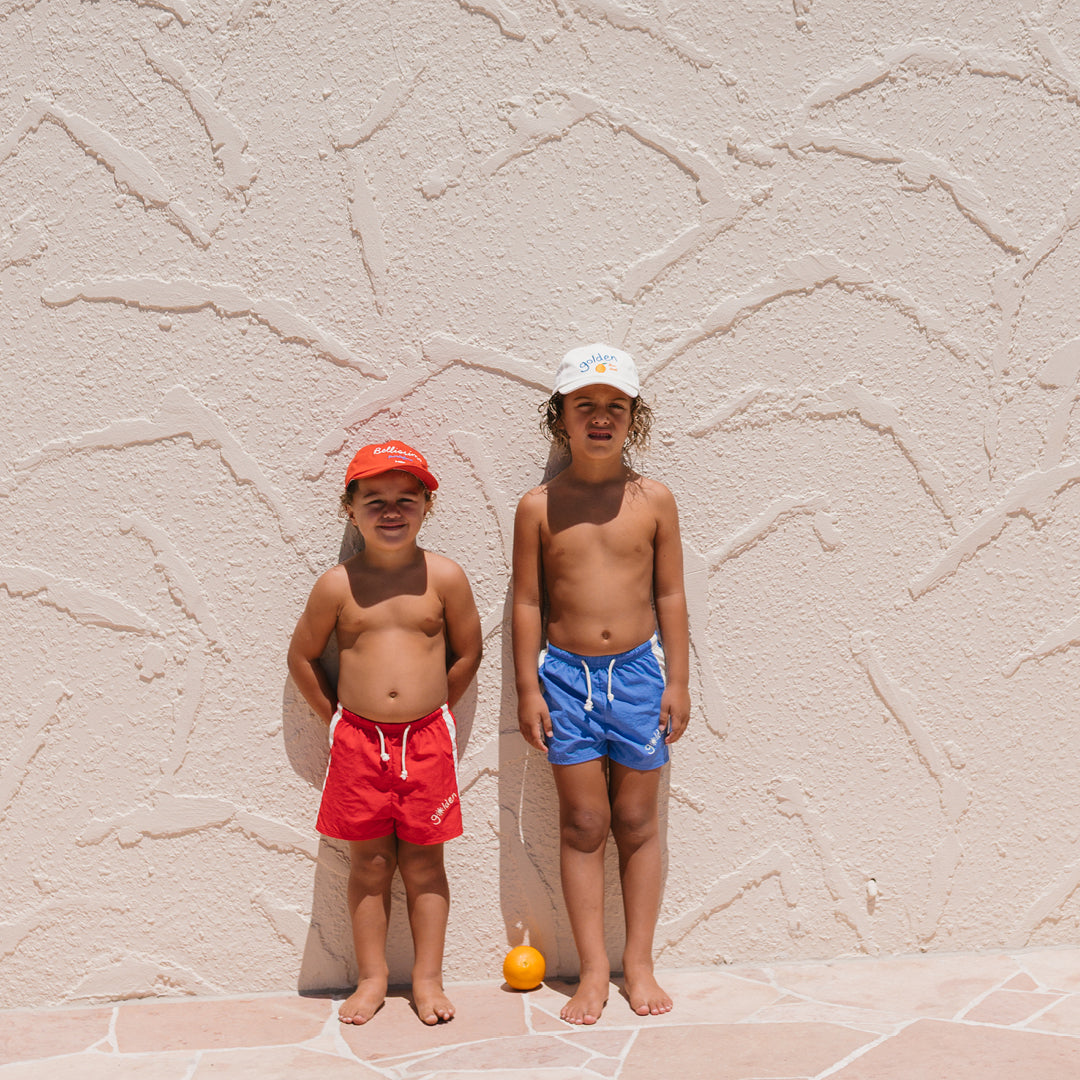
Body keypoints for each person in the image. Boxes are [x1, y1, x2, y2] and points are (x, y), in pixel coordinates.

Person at [512, 343, 691, 1025]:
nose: (600, 417)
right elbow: (528, 602)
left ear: (633, 417)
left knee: (638, 822)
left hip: (640, 677)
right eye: (585, 404)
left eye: (616, 406)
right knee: (585, 822)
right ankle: (592, 970)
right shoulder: (538, 506)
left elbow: (670, 594)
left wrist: (677, 680)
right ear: (559, 416)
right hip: (565, 679)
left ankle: (637, 963)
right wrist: (529, 688)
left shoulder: (654, 500)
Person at [288, 441, 482, 1026]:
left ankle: (428, 980)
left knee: (425, 866)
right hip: (358, 744)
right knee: (369, 866)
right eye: (374, 499)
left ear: (427, 506)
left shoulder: (444, 577)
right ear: (349, 509)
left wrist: (435, 711)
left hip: (426, 742)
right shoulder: (337, 585)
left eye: (406, 498)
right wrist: (336, 719)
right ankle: (372, 978)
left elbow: (468, 651)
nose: (391, 511)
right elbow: (302, 656)